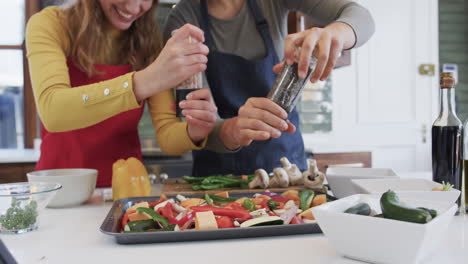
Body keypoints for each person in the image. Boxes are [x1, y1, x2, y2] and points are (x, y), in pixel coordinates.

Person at [164, 0, 375, 177]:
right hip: (218, 180)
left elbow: (361, 17)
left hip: (286, 168)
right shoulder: (183, 20)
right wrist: (235, 129)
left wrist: (334, 34)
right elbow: (198, 126)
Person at [25, 0, 218, 187]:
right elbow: (54, 111)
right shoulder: (50, 24)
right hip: (59, 189)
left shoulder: (149, 43)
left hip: (126, 190)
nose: (133, 7)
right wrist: (146, 80)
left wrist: (194, 131)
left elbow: (167, 136)